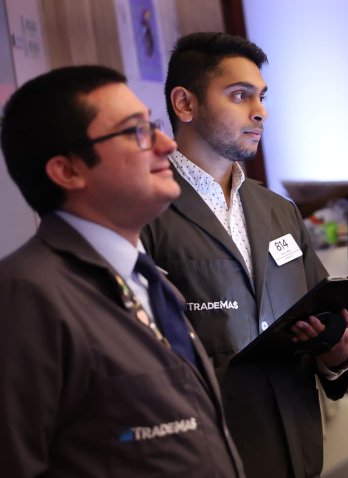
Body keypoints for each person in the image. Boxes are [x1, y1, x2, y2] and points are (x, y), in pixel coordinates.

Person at [0, 65, 243, 477]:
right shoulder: (26, 295)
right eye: (137, 132)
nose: (166, 144)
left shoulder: (149, 279)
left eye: (154, 125)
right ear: (68, 170)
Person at [141, 32, 348, 478]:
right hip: (208, 454)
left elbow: (322, 320)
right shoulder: (145, 214)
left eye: (261, 97)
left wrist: (334, 354)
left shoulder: (278, 210)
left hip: (299, 447)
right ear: (185, 105)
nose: (260, 112)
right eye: (240, 96)